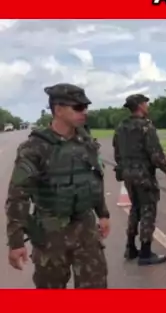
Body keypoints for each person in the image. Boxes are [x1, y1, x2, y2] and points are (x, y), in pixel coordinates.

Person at [5, 83, 110, 289]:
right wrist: (16, 242)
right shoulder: (34, 147)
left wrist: (103, 214)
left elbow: (94, 179)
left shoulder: (86, 142)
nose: (84, 112)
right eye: (78, 107)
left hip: (86, 230)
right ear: (59, 110)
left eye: (85, 107)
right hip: (50, 235)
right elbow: (18, 196)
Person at [113, 93, 166, 265]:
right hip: (144, 175)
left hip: (128, 175)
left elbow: (117, 152)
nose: (148, 106)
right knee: (148, 210)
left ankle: (130, 247)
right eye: (146, 103)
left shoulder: (121, 127)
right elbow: (155, 153)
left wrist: (124, 167)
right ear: (140, 106)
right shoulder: (146, 127)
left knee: (135, 209)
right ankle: (146, 252)